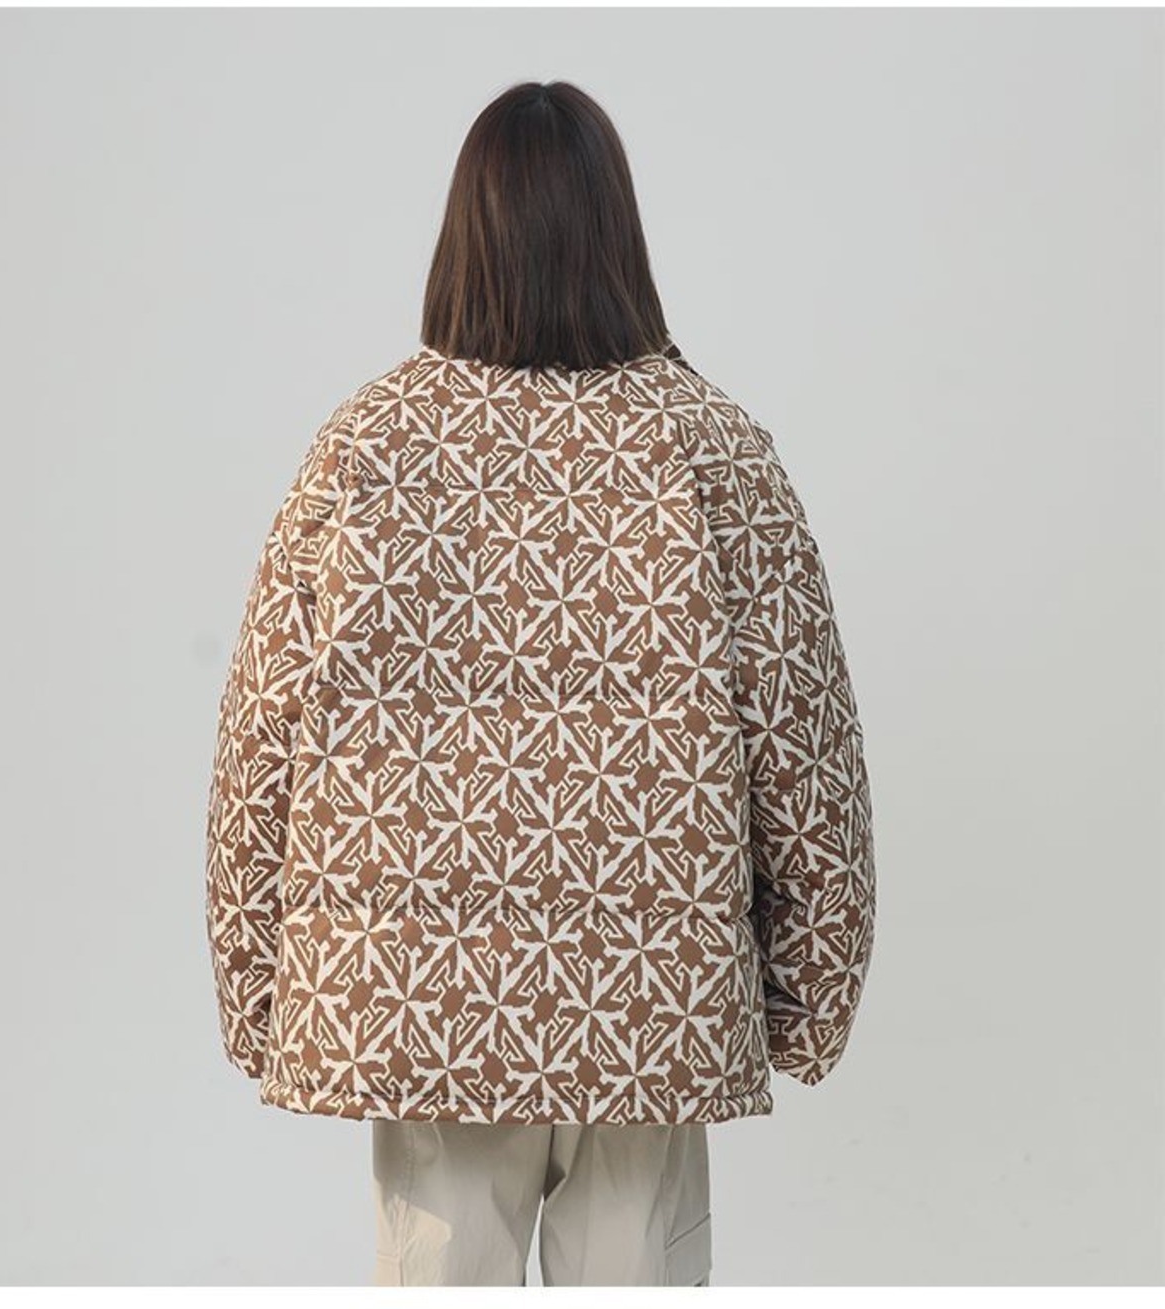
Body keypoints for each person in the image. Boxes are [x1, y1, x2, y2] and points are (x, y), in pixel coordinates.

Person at [204, 79, 877, 1288]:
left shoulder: (364, 446)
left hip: (419, 1000)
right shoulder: (712, 447)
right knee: (634, 1265)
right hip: (651, 997)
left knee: (439, 1272)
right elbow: (803, 737)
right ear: (618, 231)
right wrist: (811, 990)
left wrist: (259, 987)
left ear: (462, 236)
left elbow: (262, 732)